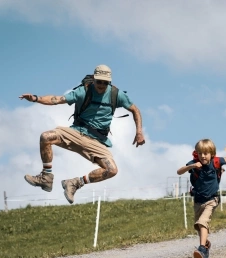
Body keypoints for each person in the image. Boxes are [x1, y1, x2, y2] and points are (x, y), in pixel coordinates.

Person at [19, 64, 145, 204]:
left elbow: (135, 110)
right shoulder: (83, 91)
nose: (101, 85)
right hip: (76, 132)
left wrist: (139, 132)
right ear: (94, 79)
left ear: (109, 81)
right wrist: (36, 98)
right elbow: (57, 100)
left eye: (105, 82)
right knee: (46, 137)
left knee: (112, 170)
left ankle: (74, 183)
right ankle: (46, 178)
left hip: (97, 141)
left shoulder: (116, 94)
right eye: (99, 81)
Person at [177, 139, 226, 258]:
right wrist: (192, 166)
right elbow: (179, 171)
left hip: (212, 199)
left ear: (212, 153)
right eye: (200, 153)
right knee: (199, 227)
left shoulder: (216, 161)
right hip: (198, 201)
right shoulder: (194, 163)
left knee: (202, 222)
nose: (203, 156)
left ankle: (202, 248)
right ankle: (205, 248)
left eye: (206, 153)